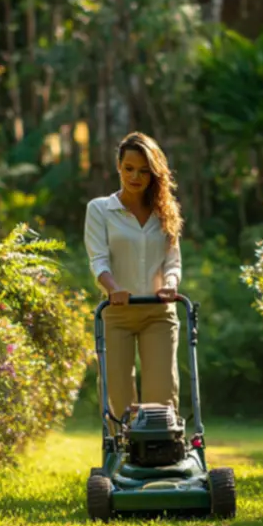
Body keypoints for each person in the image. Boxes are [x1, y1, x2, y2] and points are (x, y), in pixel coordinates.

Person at [84, 131, 184, 433]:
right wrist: (113, 289)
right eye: (129, 168)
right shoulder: (100, 209)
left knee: (162, 395)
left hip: (158, 313)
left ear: (154, 173)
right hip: (117, 315)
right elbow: (98, 259)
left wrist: (170, 284)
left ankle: (162, 456)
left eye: (143, 170)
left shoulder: (164, 212)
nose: (135, 176)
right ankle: (123, 460)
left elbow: (173, 261)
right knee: (120, 398)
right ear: (118, 167)